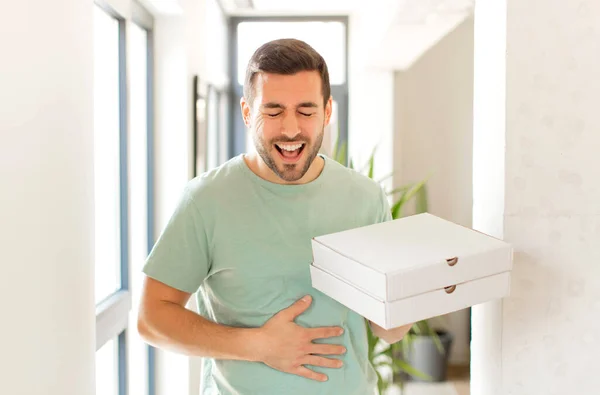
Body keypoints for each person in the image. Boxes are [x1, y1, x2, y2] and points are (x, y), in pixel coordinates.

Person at [137, 38, 412, 395]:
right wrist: (259, 345)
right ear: (248, 112)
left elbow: (386, 328)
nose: (291, 129)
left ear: (327, 112)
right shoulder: (206, 200)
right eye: (273, 110)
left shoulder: (365, 198)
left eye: (306, 110)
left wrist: (426, 289)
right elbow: (152, 318)